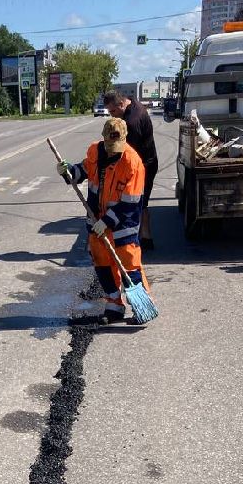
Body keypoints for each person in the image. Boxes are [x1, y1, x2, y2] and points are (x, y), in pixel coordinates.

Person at [57, 117, 151, 326]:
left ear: (124, 140)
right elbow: (81, 172)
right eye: (109, 145)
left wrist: (107, 221)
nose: (111, 151)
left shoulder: (132, 163)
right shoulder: (95, 152)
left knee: (129, 266)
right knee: (102, 265)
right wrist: (69, 171)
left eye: (115, 147)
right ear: (104, 139)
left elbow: (130, 203)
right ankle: (114, 305)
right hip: (96, 221)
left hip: (122, 225)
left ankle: (140, 306)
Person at [103, 89, 158, 250]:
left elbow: (126, 153)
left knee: (134, 202)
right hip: (147, 162)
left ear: (121, 104)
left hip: (142, 166)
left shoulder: (131, 122)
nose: (112, 115)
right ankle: (146, 236)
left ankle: (133, 241)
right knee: (142, 202)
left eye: (113, 111)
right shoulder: (132, 103)